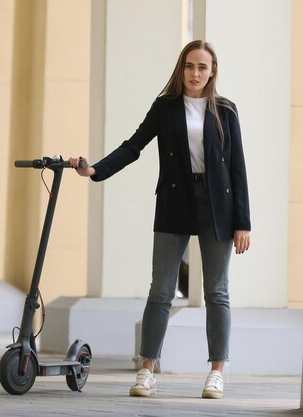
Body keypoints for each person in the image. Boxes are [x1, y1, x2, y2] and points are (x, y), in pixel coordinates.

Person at [69, 40, 251, 399]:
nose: (195, 73)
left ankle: (217, 372)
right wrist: (94, 170)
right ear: (180, 69)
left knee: (217, 292)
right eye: (189, 66)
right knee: (161, 291)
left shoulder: (225, 111)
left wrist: (243, 222)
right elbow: (133, 146)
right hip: (175, 201)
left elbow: (237, 169)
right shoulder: (165, 107)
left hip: (219, 205)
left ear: (212, 71)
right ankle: (146, 370)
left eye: (202, 67)